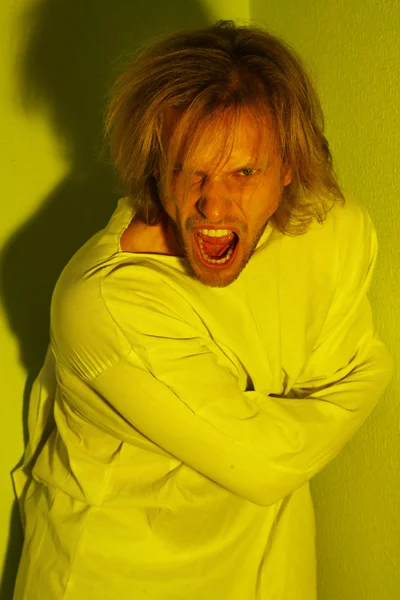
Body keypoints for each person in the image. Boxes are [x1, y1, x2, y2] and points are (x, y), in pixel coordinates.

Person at [12, 20, 394, 600]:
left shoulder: (332, 230)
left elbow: (280, 451)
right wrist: (370, 376)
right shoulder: (104, 304)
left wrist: (302, 417)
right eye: (192, 169)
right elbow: (263, 465)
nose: (214, 203)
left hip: (264, 569)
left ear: (287, 167)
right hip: (110, 577)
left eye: (244, 171)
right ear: (155, 166)